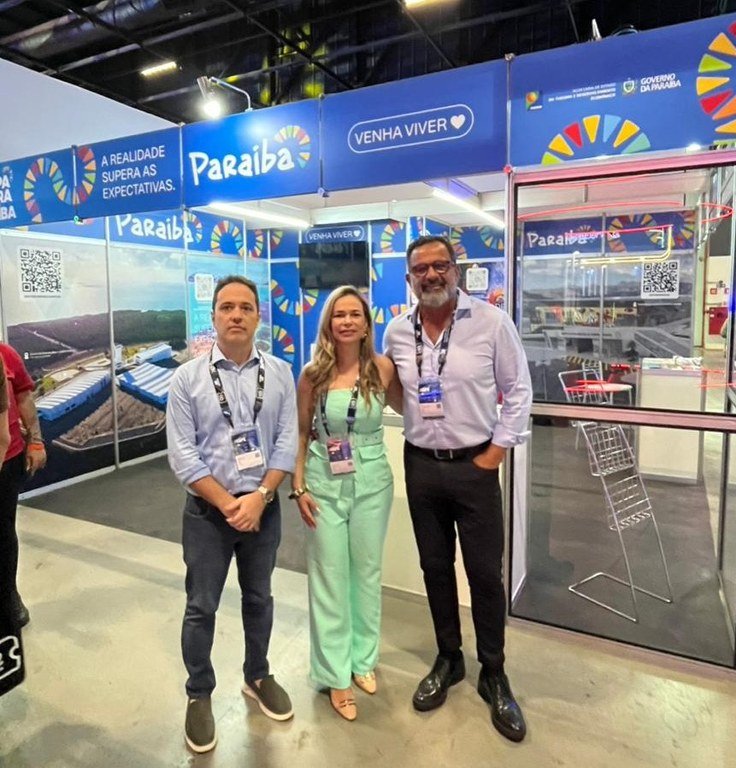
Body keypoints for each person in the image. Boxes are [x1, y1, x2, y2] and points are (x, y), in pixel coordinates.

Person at [384, 235, 532, 743]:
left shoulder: (491, 322)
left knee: (485, 573)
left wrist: (496, 452)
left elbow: (518, 391)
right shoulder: (397, 331)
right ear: (410, 278)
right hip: (421, 465)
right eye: (420, 268)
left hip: (475, 465)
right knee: (434, 567)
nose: (431, 275)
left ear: (456, 270)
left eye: (440, 265)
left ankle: (494, 670)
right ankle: (449, 658)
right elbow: (397, 394)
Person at [166, 275, 298, 753]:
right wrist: (229, 504)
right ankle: (199, 693)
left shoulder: (280, 373)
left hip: (263, 508)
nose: (236, 315)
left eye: (245, 307)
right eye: (227, 307)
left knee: (259, 597)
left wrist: (260, 496)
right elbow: (183, 455)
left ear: (258, 316)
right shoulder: (187, 379)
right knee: (201, 606)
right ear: (214, 316)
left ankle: (257, 675)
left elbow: (287, 440)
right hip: (208, 514)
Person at [292, 286, 397, 722]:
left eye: (356, 314)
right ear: (329, 324)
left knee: (367, 574)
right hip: (323, 483)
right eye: (340, 315)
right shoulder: (312, 374)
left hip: (373, 483)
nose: (348, 321)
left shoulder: (383, 369)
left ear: (367, 324)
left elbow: (413, 407)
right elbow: (301, 434)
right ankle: (335, 674)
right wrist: (299, 486)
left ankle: (362, 659)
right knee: (330, 577)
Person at [0, 342, 47, 629]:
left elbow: (24, 397)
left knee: (4, 532)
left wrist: (36, 441)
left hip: (8, 460)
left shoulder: (5, 355)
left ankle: (8, 596)